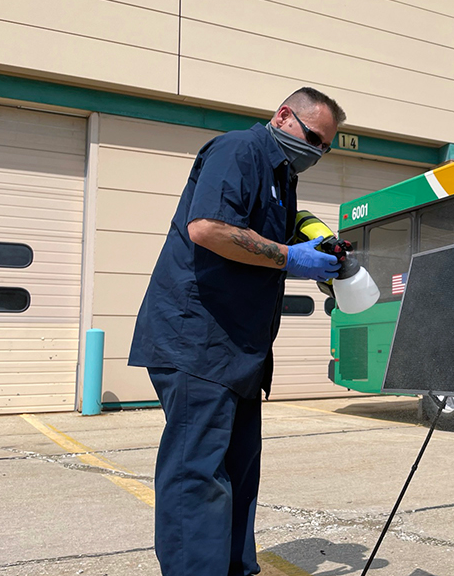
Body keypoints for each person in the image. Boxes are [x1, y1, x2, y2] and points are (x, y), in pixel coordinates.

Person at [128, 87, 346, 576]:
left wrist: (318, 252)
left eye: (326, 147)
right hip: (199, 341)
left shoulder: (281, 176)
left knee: (240, 473)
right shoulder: (239, 150)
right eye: (314, 138)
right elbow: (208, 228)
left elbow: (268, 241)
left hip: (240, 351)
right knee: (198, 476)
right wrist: (291, 258)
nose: (318, 152)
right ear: (284, 116)